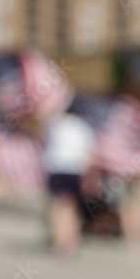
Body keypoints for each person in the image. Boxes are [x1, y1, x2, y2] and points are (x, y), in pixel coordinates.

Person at [42, 106, 96, 257]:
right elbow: (90, 152)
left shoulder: (54, 122)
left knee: (59, 206)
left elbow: (43, 142)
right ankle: (70, 240)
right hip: (76, 168)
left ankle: (60, 240)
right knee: (71, 206)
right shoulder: (84, 125)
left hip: (58, 167)